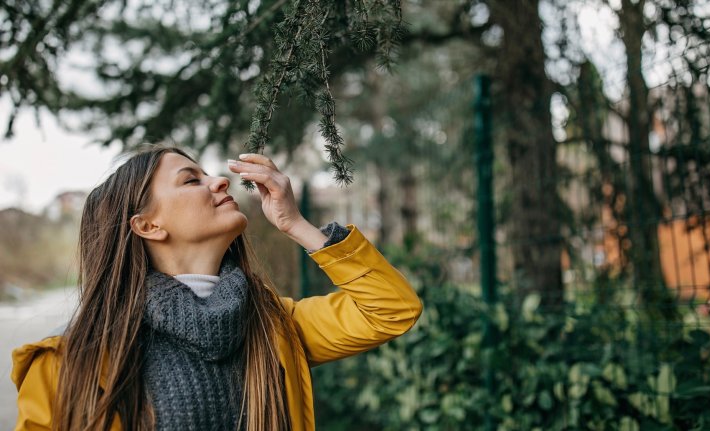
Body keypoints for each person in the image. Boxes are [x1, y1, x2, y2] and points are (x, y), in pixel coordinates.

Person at [11, 146, 422, 431]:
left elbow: (391, 310)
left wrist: (297, 225)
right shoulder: (68, 366)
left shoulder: (276, 328)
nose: (220, 182)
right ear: (148, 225)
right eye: (192, 180)